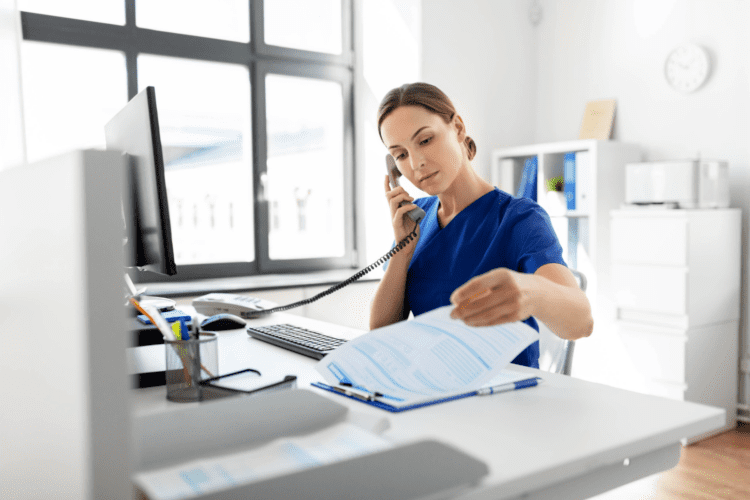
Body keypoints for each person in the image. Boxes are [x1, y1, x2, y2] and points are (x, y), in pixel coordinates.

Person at [369, 82, 593, 368]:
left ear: (458, 128)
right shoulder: (414, 220)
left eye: (425, 140)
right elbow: (382, 334)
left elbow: (581, 323)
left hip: (504, 398)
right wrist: (402, 250)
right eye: (400, 154)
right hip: (436, 389)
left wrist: (533, 292)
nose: (416, 163)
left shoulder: (518, 219)